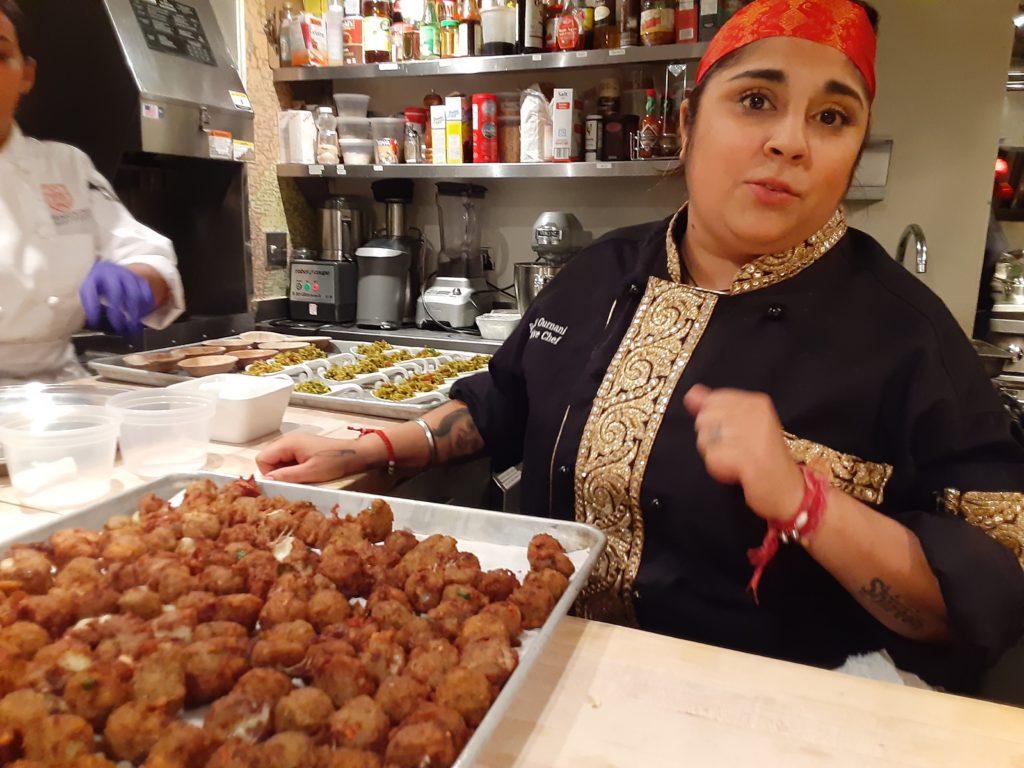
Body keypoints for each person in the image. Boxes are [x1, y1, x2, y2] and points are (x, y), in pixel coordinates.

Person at [257, 0, 1024, 692]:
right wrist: (376, 450)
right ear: (690, 123)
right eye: (756, 101)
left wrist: (806, 502)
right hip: (534, 667)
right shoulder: (602, 269)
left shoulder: (906, 335)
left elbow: (982, 597)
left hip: (761, 713)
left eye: (833, 118)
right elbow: (506, 400)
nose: (791, 141)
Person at [0, 0, 184, 383]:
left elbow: (144, 253)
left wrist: (137, 282)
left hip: (62, 393)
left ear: (27, 75)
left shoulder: (65, 167)